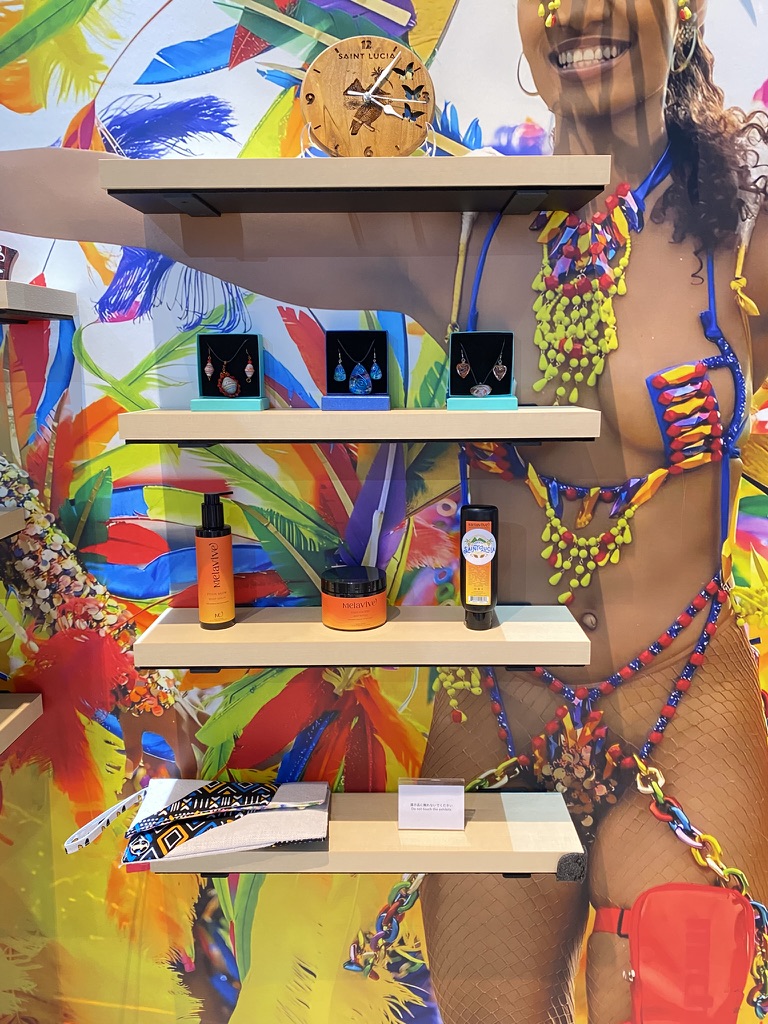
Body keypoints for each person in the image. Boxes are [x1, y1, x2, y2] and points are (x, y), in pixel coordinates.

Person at [2, 2, 768, 1021]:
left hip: (685, 704)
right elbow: (160, 211)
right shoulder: (451, 230)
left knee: (673, 989)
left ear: (687, 10)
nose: (580, 11)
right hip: (499, 712)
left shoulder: (746, 235)